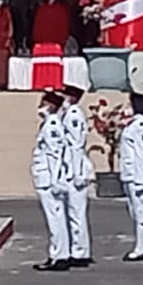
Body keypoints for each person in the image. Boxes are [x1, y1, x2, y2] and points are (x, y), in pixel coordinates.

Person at [31, 90, 71, 272]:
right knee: (55, 219)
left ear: (51, 105)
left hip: (49, 180)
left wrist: (55, 181)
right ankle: (58, 254)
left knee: (55, 220)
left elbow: (55, 155)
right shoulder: (48, 124)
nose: (40, 105)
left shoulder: (52, 125)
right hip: (46, 178)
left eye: (43, 102)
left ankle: (59, 256)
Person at [120, 92, 143, 261]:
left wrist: (141, 179)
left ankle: (141, 248)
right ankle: (140, 246)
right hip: (130, 174)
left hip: (138, 175)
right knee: (135, 212)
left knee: (142, 212)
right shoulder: (133, 124)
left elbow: (142, 154)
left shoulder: (141, 125)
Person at [60, 85, 93, 267]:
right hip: (73, 168)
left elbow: (75, 146)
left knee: (76, 214)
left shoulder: (73, 115)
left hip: (75, 169)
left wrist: (76, 172)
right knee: (74, 213)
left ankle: (80, 252)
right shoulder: (70, 114)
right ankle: (78, 249)